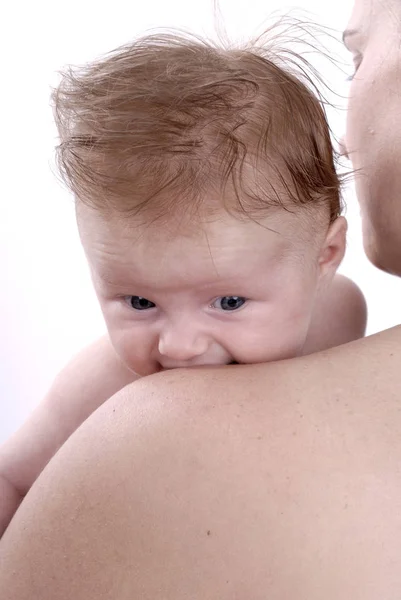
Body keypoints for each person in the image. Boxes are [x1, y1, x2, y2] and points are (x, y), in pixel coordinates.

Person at [1, 0, 400, 596]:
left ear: (324, 255)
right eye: (138, 302)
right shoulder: (102, 386)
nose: (178, 345)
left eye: (229, 303)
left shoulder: (341, 311)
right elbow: (11, 477)